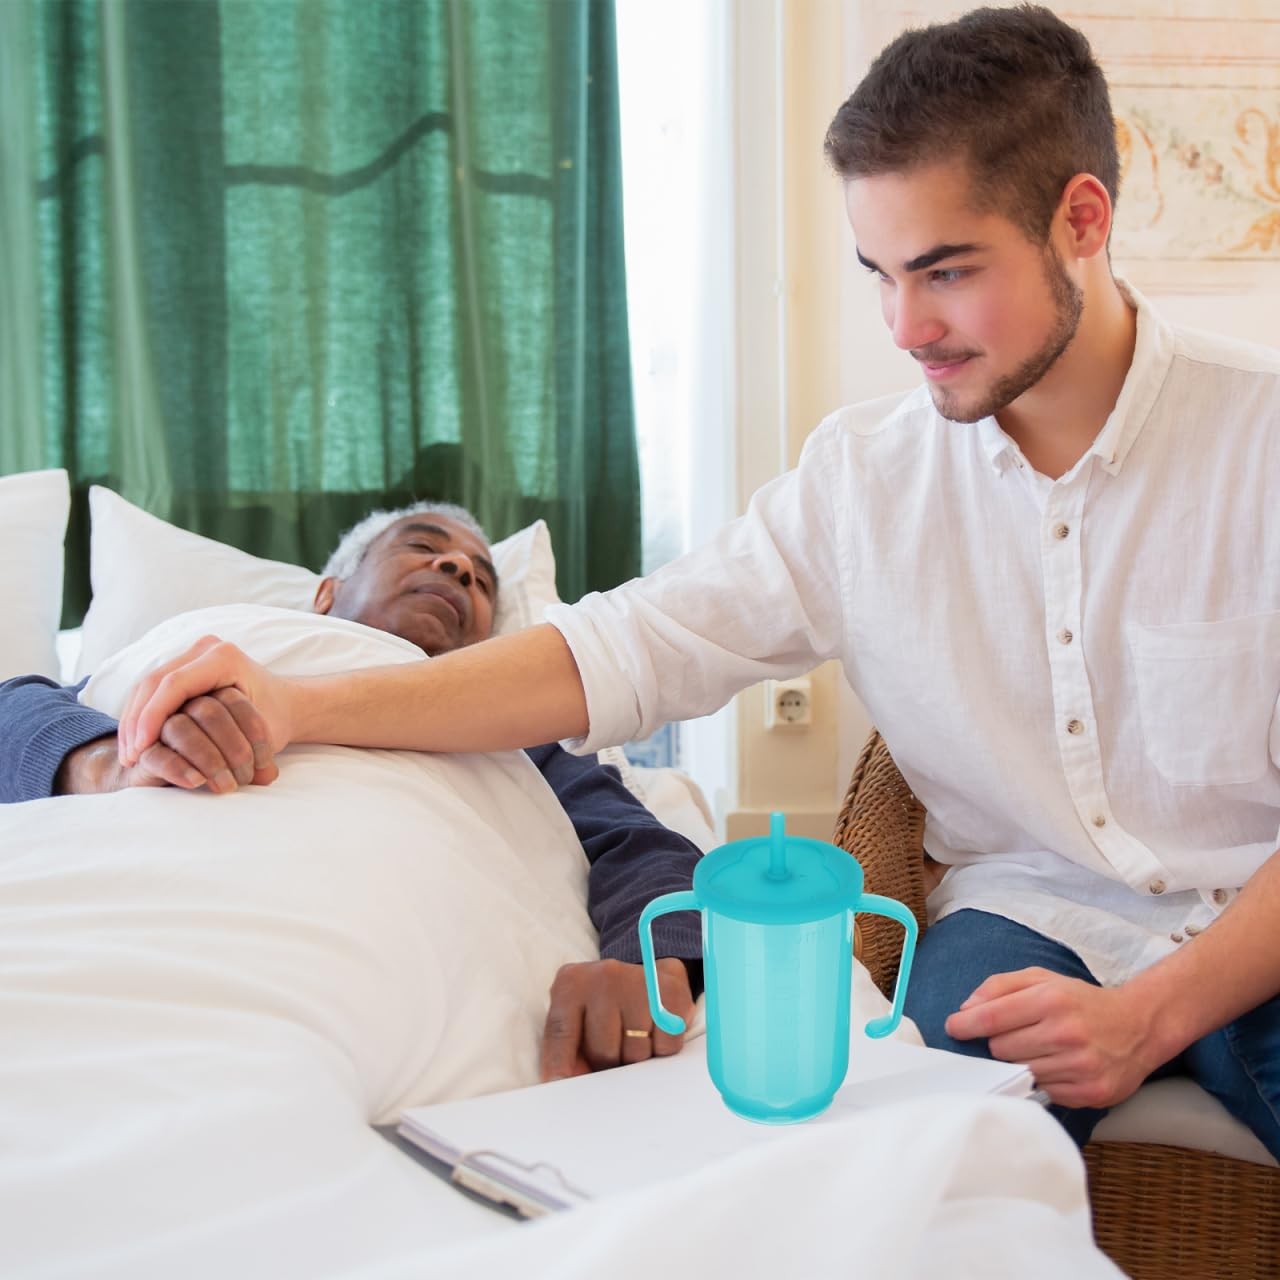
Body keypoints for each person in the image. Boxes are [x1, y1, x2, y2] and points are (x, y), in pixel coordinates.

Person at [114, 5, 1280, 1157]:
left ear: (1081, 219)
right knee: (919, 1177)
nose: (902, 325)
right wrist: (299, 699)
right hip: (1023, 916)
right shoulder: (859, 483)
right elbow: (623, 648)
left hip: (1254, 912)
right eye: (877, 274)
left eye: (943, 272)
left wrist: (1149, 1016)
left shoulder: (1259, 442)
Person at [0, 500, 705, 1083]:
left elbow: (637, 843)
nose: (458, 568)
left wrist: (646, 960)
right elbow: (13, 707)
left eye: (482, 581)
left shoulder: (525, 734)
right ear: (326, 594)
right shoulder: (216, 644)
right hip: (125, 904)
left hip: (380, 969)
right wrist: (105, 761)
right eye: (422, 546)